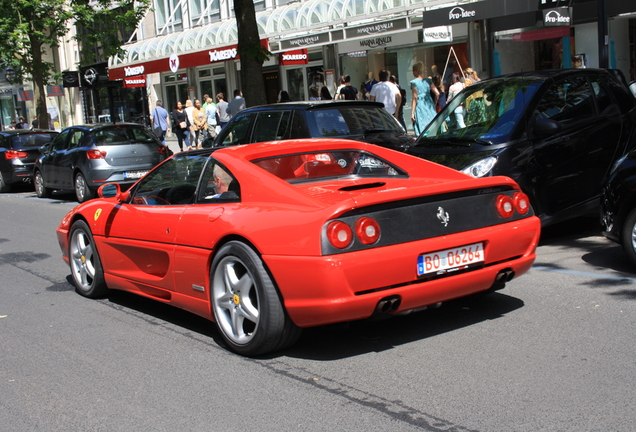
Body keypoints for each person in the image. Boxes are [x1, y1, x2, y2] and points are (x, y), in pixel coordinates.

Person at [410, 62, 438, 135]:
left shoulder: (414, 82)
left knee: (422, 124)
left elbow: (415, 97)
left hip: (420, 105)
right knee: (432, 123)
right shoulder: (428, 81)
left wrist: (412, 113)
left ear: (416, 71)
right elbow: (437, 93)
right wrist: (434, 103)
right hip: (429, 104)